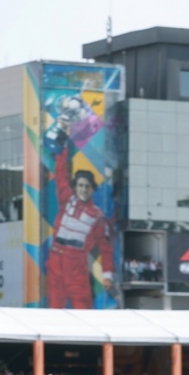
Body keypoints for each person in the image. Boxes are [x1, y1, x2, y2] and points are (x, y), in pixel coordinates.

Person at [45, 110, 115, 309]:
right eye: (80, 185)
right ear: (75, 187)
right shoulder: (67, 199)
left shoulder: (97, 216)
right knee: (54, 310)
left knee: (82, 309)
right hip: (56, 258)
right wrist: (64, 143)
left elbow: (105, 248)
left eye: (87, 186)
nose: (83, 189)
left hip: (77, 264)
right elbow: (61, 172)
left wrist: (107, 275)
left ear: (92, 189)